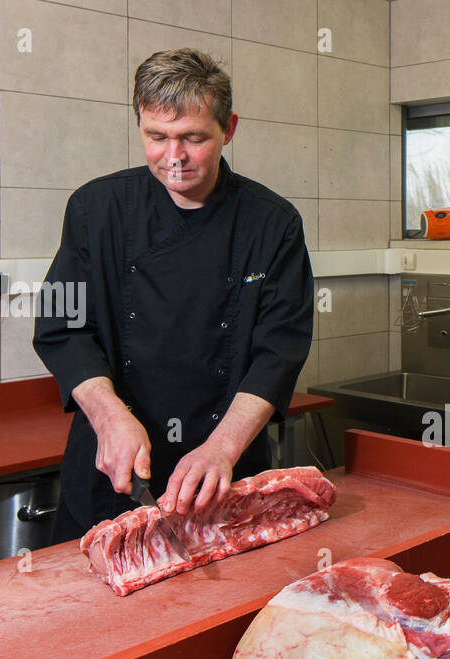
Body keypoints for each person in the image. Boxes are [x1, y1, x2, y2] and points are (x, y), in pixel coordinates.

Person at [34, 49, 313, 544]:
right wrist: (108, 414)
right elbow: (63, 327)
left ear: (229, 128)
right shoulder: (94, 210)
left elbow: (279, 351)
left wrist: (222, 447)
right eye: (156, 137)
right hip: (114, 466)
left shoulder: (272, 224)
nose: (174, 157)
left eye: (193, 138)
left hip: (223, 468)